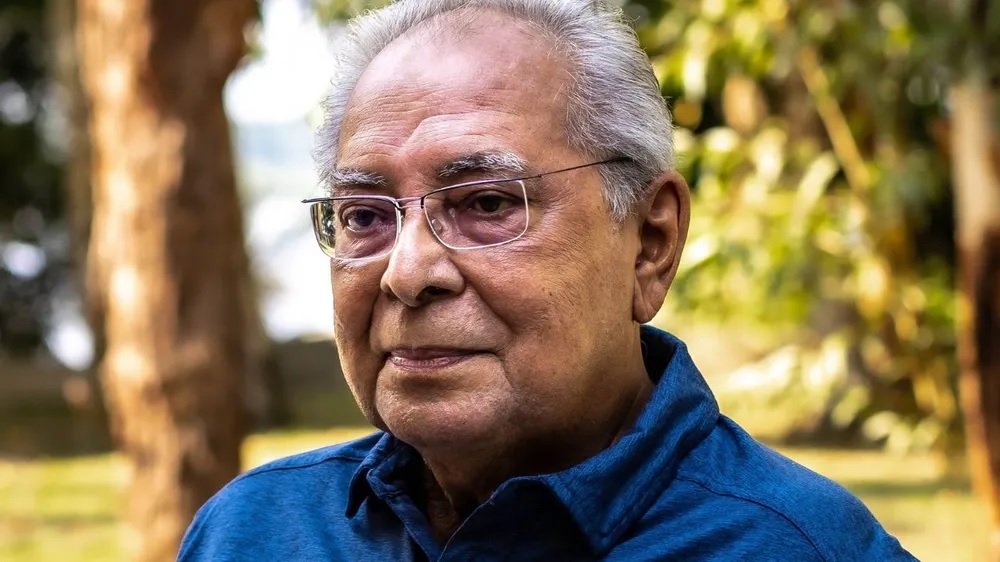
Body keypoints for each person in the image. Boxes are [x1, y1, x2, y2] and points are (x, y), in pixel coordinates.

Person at [179, 1, 917, 560]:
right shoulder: (256, 531)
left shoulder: (790, 546)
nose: (408, 273)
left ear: (650, 244)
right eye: (363, 215)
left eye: (487, 204)